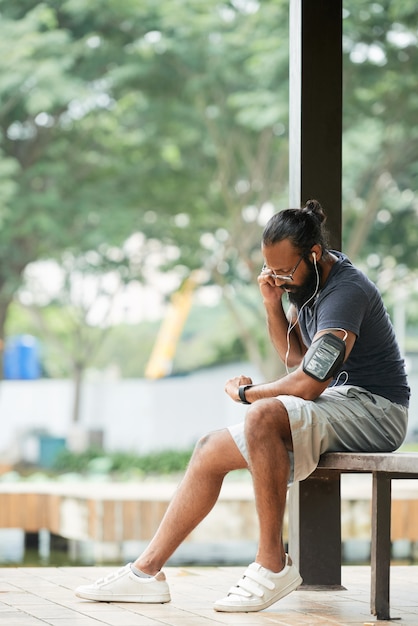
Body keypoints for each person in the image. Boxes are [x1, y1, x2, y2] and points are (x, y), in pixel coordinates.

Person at [75, 200, 409, 613]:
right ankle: (146, 573)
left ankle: (272, 562)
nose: (280, 279)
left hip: (378, 409)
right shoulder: (303, 289)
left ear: (314, 254)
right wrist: (272, 304)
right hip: (338, 401)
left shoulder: (345, 292)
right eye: (272, 271)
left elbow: (309, 382)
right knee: (209, 448)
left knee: (263, 413)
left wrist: (249, 395)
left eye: (285, 271)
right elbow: (297, 359)